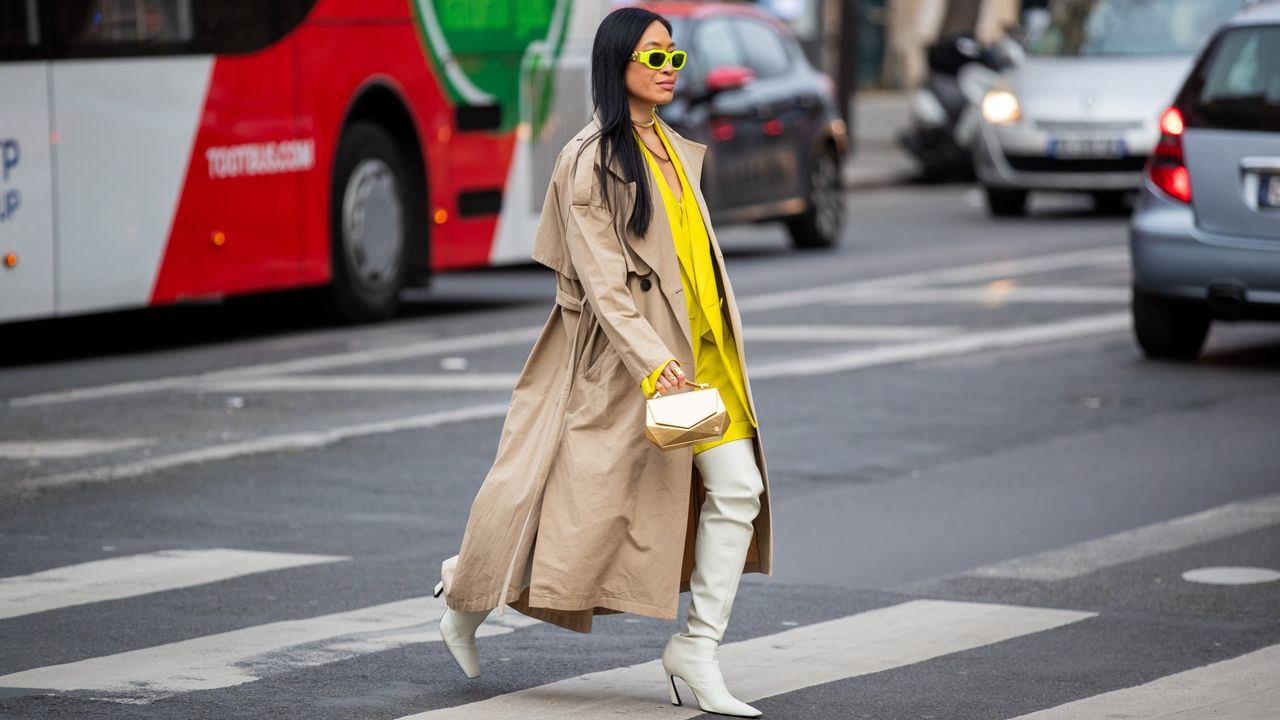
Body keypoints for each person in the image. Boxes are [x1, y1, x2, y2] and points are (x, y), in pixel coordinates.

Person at [432, 7, 772, 717]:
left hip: (702, 365)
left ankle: (697, 649)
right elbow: (604, 283)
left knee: (736, 490)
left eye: (674, 59)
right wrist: (654, 364)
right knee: (566, 504)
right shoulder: (591, 159)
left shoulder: (674, 149)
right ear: (616, 65)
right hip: (631, 371)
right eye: (653, 58)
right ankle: (467, 592)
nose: (667, 70)